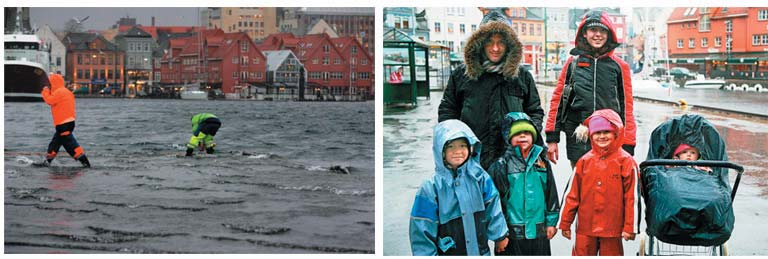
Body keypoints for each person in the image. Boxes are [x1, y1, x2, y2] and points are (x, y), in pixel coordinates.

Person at [438, 8, 545, 170]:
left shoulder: (521, 76)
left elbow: (534, 111)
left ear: (509, 45)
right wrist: (454, 143)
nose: (495, 48)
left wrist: (529, 134)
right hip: (472, 161)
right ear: (480, 43)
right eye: (490, 42)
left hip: (513, 162)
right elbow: (448, 111)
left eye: (501, 42)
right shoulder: (462, 74)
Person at [544, 10, 637, 168]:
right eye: (593, 30)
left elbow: (627, 106)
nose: (598, 35)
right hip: (578, 135)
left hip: (610, 136)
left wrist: (628, 142)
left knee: (608, 185)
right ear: (584, 33)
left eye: (602, 31)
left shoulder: (620, 67)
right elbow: (558, 100)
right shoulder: (572, 64)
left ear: (609, 35)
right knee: (581, 184)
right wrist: (552, 138)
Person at [409, 119, 509, 256]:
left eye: (462, 146)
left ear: (470, 148)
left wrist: (500, 235)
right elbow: (421, 231)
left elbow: (493, 207)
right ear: (440, 151)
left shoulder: (480, 178)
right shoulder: (430, 188)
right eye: (451, 146)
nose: (458, 151)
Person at [558, 109, 640, 256]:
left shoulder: (626, 162)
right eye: (597, 133)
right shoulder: (584, 161)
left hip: (612, 228)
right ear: (590, 135)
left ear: (616, 132)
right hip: (585, 226)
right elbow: (572, 195)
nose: (602, 136)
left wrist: (630, 227)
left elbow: (632, 198)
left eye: (606, 132)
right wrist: (565, 222)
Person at [488, 112, 559, 255]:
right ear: (508, 138)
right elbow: (495, 203)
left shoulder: (542, 163)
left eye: (527, 132)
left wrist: (551, 222)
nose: (522, 136)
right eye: (517, 133)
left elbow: (551, 194)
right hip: (512, 235)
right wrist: (500, 234)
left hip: (539, 232)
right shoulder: (501, 166)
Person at [40, 73, 91, 167]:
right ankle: (48, 160)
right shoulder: (67, 91)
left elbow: (49, 101)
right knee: (56, 142)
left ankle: (85, 162)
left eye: (50, 84)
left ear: (53, 83)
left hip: (63, 123)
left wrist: (45, 91)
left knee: (70, 144)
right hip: (69, 122)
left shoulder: (59, 92)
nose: (49, 86)